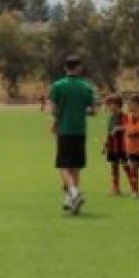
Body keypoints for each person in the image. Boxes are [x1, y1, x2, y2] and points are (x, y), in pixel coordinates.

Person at [48, 55, 96, 215]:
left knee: (62, 165)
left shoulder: (57, 86)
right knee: (75, 166)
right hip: (80, 130)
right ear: (79, 68)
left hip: (64, 130)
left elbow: (54, 109)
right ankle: (70, 200)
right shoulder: (86, 86)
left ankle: (74, 193)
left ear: (65, 68)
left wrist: (55, 122)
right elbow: (92, 110)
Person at [103, 95, 135, 196]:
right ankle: (116, 188)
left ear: (118, 105)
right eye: (109, 105)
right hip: (112, 146)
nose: (110, 107)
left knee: (126, 166)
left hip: (122, 146)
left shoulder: (124, 116)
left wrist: (118, 128)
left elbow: (129, 126)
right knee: (114, 167)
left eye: (112, 105)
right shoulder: (111, 117)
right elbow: (109, 132)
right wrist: (105, 145)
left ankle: (134, 187)